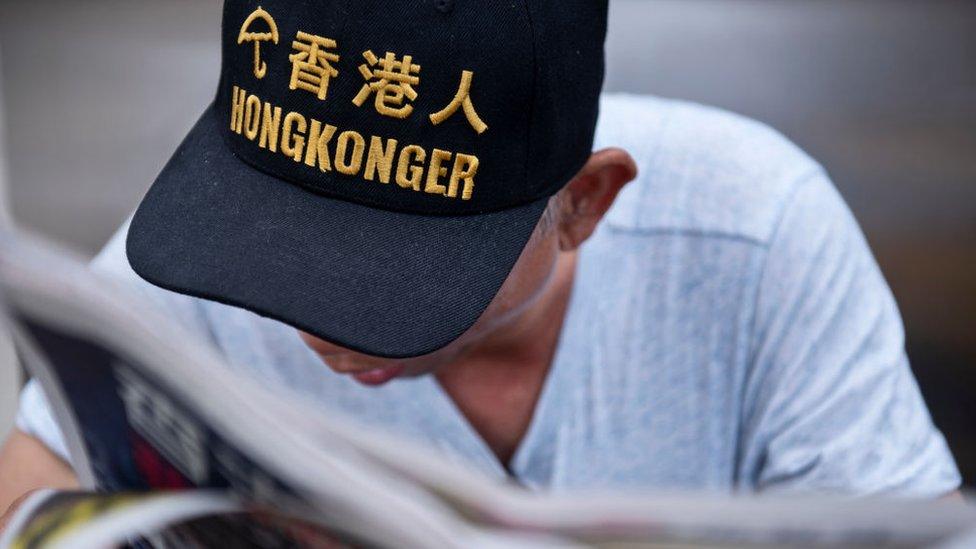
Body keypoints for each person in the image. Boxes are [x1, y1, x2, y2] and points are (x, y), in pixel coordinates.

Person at [0, 0, 961, 517]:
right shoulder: (194, 252)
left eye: (395, 267)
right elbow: (32, 467)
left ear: (582, 202)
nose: (316, 325)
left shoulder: (755, 235)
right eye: (279, 239)